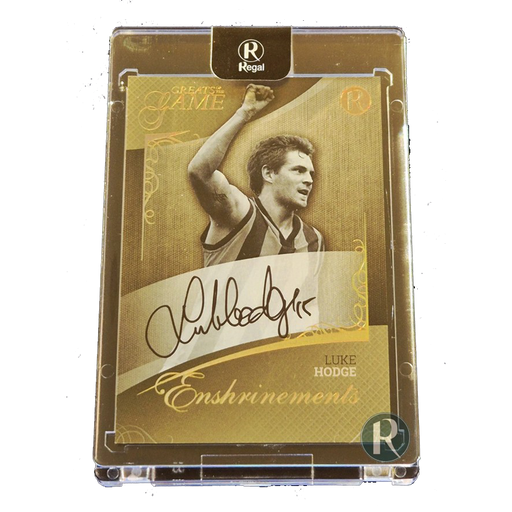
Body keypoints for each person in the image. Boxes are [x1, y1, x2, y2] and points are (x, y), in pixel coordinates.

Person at [188, 84, 325, 267]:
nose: (309, 180)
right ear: (269, 173)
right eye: (298, 170)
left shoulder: (314, 240)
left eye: (311, 173)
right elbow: (199, 172)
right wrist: (244, 113)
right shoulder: (237, 212)